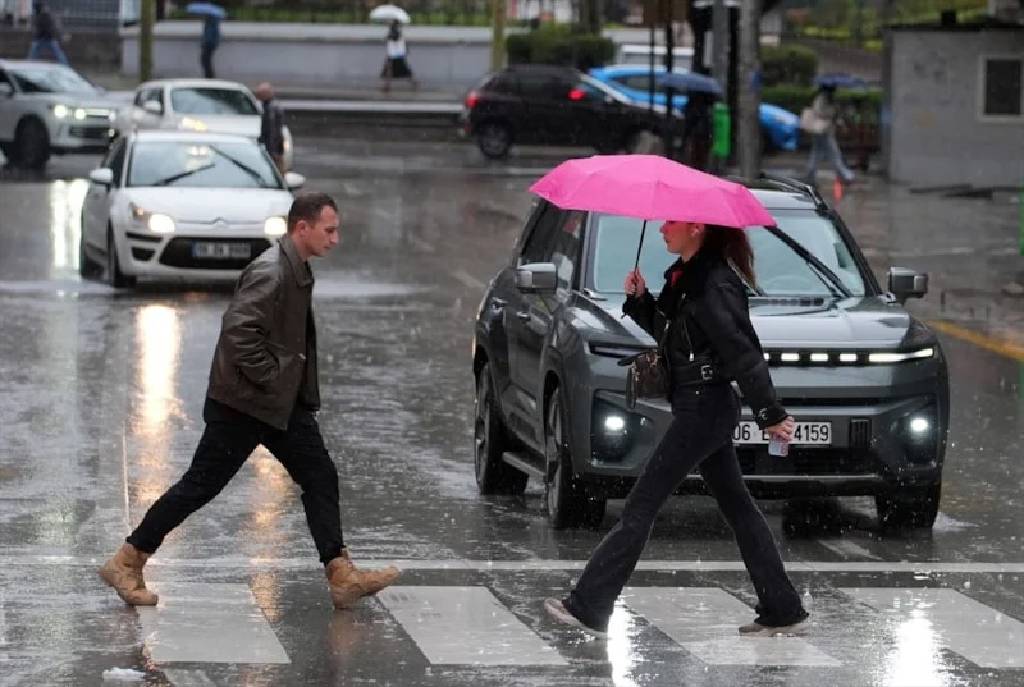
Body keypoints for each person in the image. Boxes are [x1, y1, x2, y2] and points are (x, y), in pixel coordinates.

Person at [99, 193, 400, 609]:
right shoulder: (271, 272)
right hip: (243, 404)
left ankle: (341, 574)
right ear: (302, 228)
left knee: (320, 476)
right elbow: (239, 335)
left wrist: (285, 388)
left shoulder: (296, 268)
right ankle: (127, 560)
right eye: (329, 230)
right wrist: (274, 378)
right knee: (199, 486)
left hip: (278, 404)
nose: (335, 239)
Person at [545, 220, 808, 638]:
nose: (663, 229)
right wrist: (640, 301)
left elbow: (743, 352)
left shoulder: (714, 284)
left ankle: (589, 605)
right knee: (739, 508)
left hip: (705, 409)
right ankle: (782, 606)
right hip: (698, 406)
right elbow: (673, 338)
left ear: (696, 227)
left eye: (671, 222)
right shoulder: (686, 278)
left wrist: (770, 413)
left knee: (641, 505)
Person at [803, 83, 854, 186]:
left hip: (821, 131)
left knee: (816, 154)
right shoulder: (823, 99)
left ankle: (810, 177)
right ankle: (844, 176)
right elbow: (821, 113)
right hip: (823, 131)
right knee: (834, 154)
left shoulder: (823, 98)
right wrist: (834, 111)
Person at [256, 82, 286, 174]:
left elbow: (272, 130)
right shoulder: (270, 106)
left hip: (273, 146)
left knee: (275, 169)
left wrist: (272, 150)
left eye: (260, 94)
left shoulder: (271, 108)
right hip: (274, 145)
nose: (258, 97)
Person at [680, 91, 714, 171]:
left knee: (695, 158)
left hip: (696, 135)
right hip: (704, 135)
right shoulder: (707, 107)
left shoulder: (693, 105)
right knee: (701, 159)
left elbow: (689, 122)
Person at [380, 19, 417, 93]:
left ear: (393, 24)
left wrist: (388, 37)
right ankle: (387, 86)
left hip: (394, 54)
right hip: (397, 54)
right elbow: (402, 42)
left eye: (390, 22)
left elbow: (394, 38)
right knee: (399, 69)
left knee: (392, 70)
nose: (388, 23)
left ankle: (387, 86)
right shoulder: (397, 31)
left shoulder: (394, 31)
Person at [200, 14, 221, 78]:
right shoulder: (208, 23)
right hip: (207, 44)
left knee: (205, 60)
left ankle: (210, 76)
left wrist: (214, 44)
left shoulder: (212, 23)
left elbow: (215, 35)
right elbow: (205, 34)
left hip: (209, 44)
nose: (203, 17)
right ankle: (209, 75)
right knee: (205, 60)